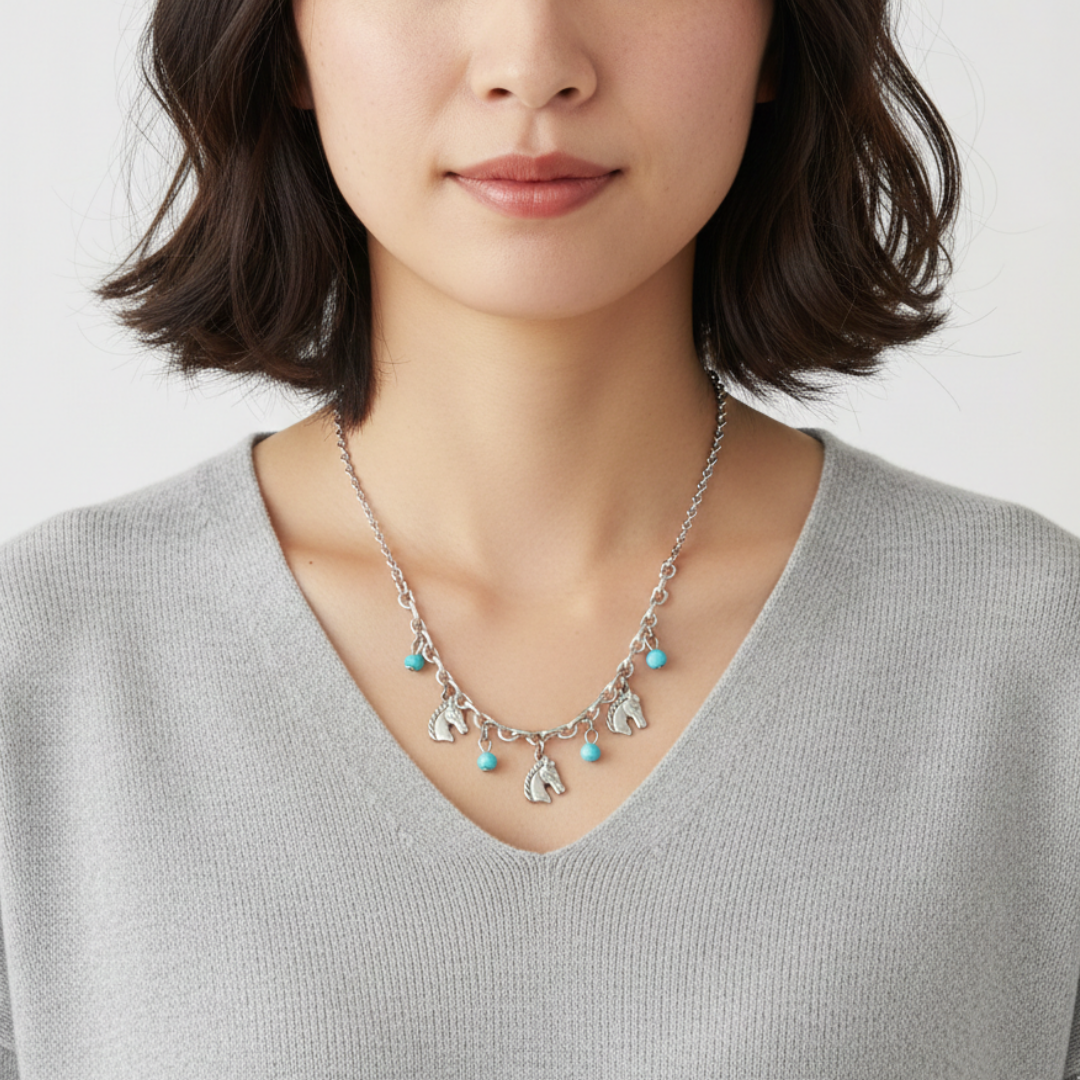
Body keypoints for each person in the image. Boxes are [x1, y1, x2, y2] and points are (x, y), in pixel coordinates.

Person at [1, 0, 1077, 1074]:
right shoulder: (45, 672)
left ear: (779, 35)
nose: (533, 63)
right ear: (284, 38)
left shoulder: (1033, 665)